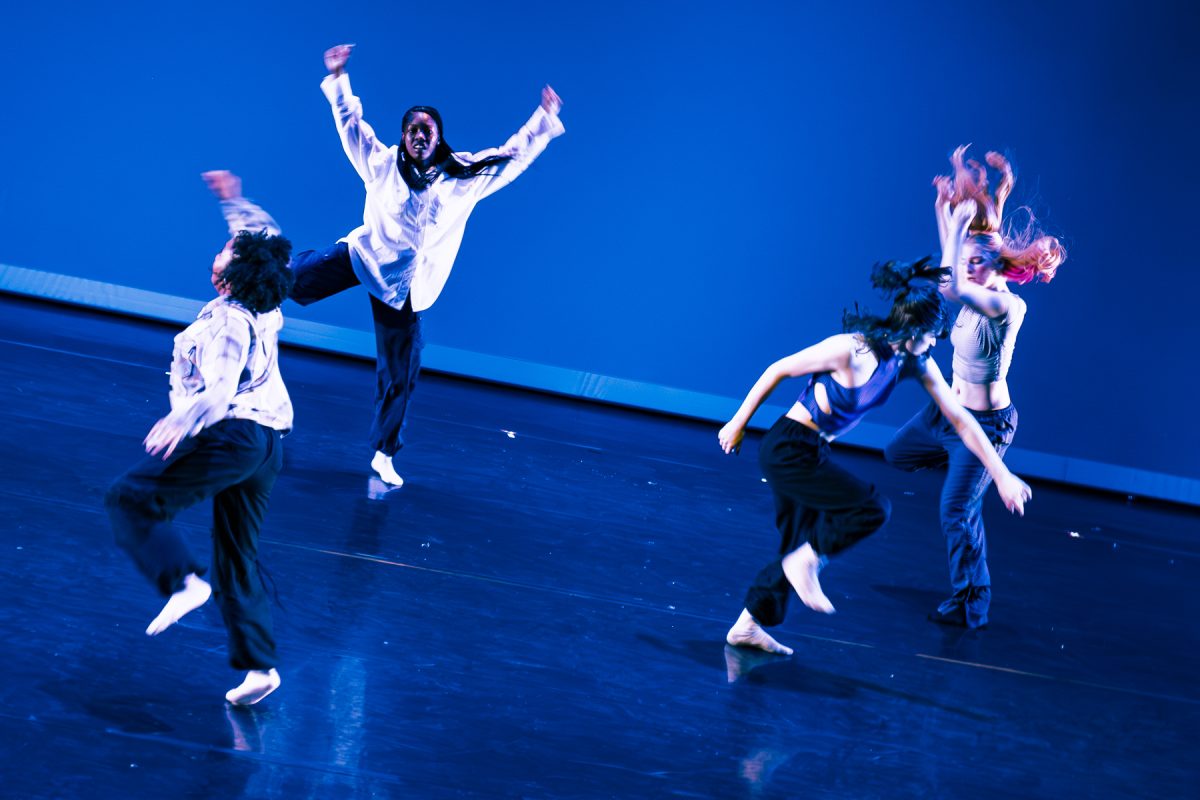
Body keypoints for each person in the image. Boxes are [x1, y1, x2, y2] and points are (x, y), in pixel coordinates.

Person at [717, 211, 1032, 655]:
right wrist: (737, 423)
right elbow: (778, 369)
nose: (935, 347)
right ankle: (807, 561)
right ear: (915, 332)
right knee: (870, 509)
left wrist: (1000, 475)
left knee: (795, 545)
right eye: (932, 338)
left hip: (815, 452)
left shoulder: (913, 362)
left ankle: (748, 624)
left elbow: (962, 420)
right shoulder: (852, 349)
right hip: (788, 447)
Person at [288, 43, 565, 487]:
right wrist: (339, 78)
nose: (419, 135)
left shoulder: (464, 176)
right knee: (296, 278)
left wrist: (542, 118)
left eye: (427, 129)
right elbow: (350, 126)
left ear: (438, 137)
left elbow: (512, 157)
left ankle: (384, 453)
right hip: (366, 257)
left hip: (408, 289)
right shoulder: (380, 164)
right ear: (403, 137)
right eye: (412, 129)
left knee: (400, 374)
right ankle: (251, 282)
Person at [104, 175, 294, 705]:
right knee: (238, 556)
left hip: (233, 434)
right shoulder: (264, 310)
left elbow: (219, 392)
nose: (219, 253)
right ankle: (260, 668)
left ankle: (183, 582)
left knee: (129, 497)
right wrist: (232, 202)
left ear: (234, 272)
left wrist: (181, 420)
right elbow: (266, 239)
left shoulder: (231, 321)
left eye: (226, 250)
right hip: (267, 447)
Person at [884, 147, 1065, 629]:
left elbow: (951, 287)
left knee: (955, 510)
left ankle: (971, 603)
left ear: (1000, 266)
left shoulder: (1008, 308)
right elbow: (956, 264)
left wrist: (960, 226)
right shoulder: (970, 271)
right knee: (896, 454)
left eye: (981, 262)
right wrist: (944, 210)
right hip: (947, 414)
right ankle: (967, 467)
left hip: (985, 423)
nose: (970, 267)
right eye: (966, 261)